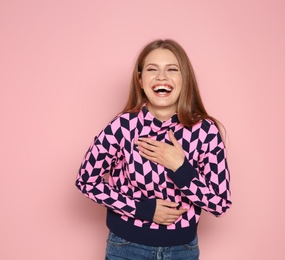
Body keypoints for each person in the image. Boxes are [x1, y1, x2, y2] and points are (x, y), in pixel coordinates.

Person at [75, 39, 231, 260]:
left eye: (172, 69)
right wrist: (142, 210)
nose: (161, 77)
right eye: (152, 69)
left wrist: (180, 167)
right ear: (140, 80)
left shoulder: (205, 131)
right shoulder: (122, 126)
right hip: (126, 247)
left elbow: (220, 203)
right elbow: (86, 181)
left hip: (182, 251)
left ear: (184, 79)